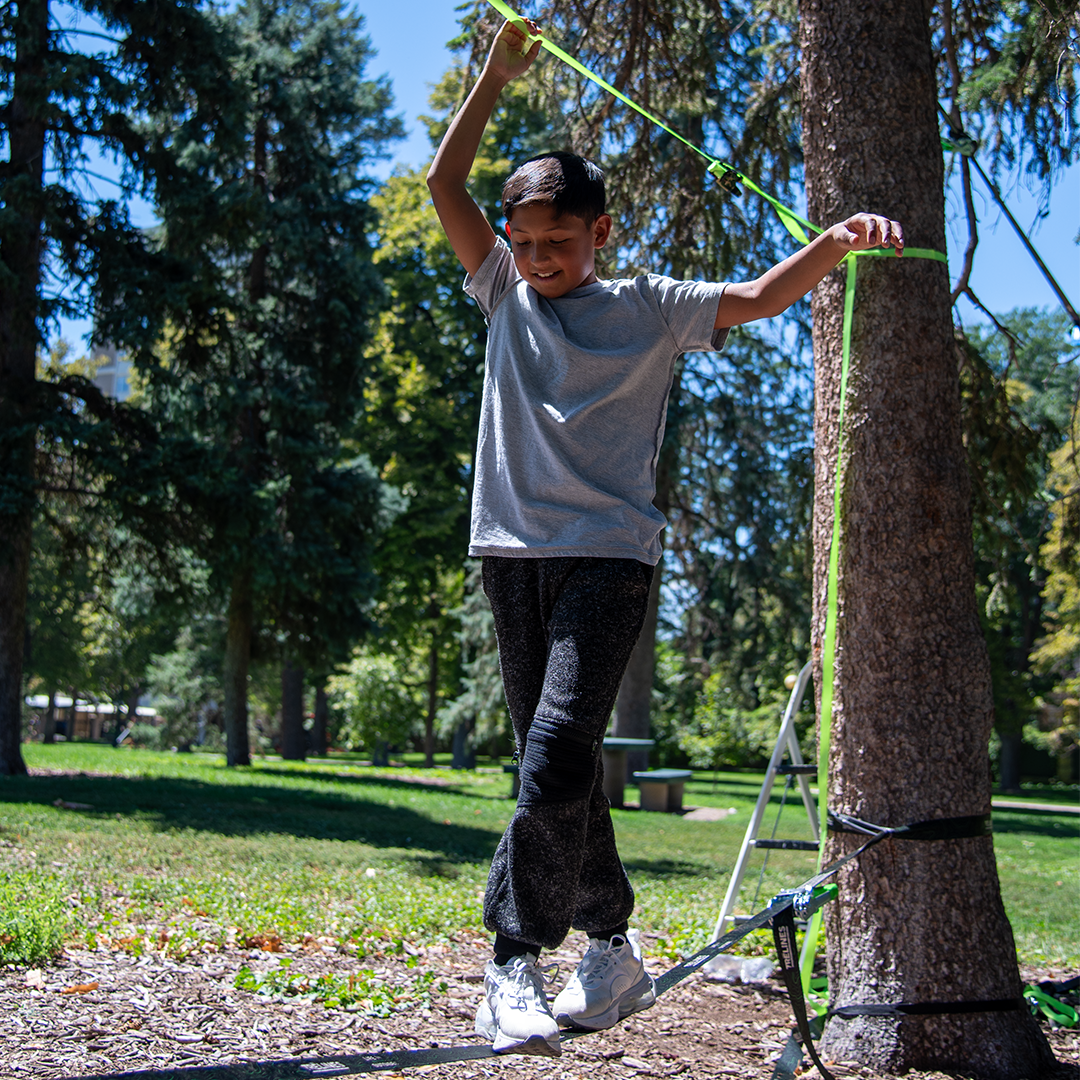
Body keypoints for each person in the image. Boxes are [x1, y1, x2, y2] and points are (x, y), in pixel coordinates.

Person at [426, 17, 903, 1059]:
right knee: (558, 763)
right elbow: (445, 186)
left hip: (610, 558)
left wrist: (836, 240)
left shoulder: (650, 307)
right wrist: (493, 81)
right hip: (510, 557)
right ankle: (612, 944)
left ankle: (513, 960)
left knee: (553, 753)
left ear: (603, 231)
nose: (542, 257)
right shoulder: (501, 295)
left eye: (562, 239)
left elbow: (762, 297)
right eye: (528, 241)